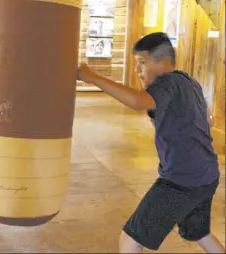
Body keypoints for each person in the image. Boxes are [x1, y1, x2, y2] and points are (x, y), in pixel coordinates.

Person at [77, 32, 225, 254]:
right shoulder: (188, 81)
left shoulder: (167, 82)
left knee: (130, 239)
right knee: (200, 233)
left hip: (182, 181)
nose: (137, 70)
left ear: (163, 62)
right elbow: (207, 117)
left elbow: (138, 101)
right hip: (207, 175)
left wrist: (93, 77)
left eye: (142, 63)